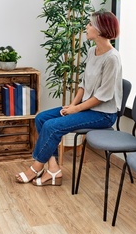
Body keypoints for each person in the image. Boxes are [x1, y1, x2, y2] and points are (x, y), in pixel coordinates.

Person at [16, 10, 123, 186]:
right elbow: (83, 83)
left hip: (103, 114)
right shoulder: (91, 51)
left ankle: (36, 167)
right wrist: (71, 105)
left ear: (100, 29)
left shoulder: (112, 58)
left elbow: (103, 96)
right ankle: (53, 168)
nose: (86, 27)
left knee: (52, 126)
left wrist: (76, 110)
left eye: (90, 24)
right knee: (42, 118)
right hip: (86, 107)